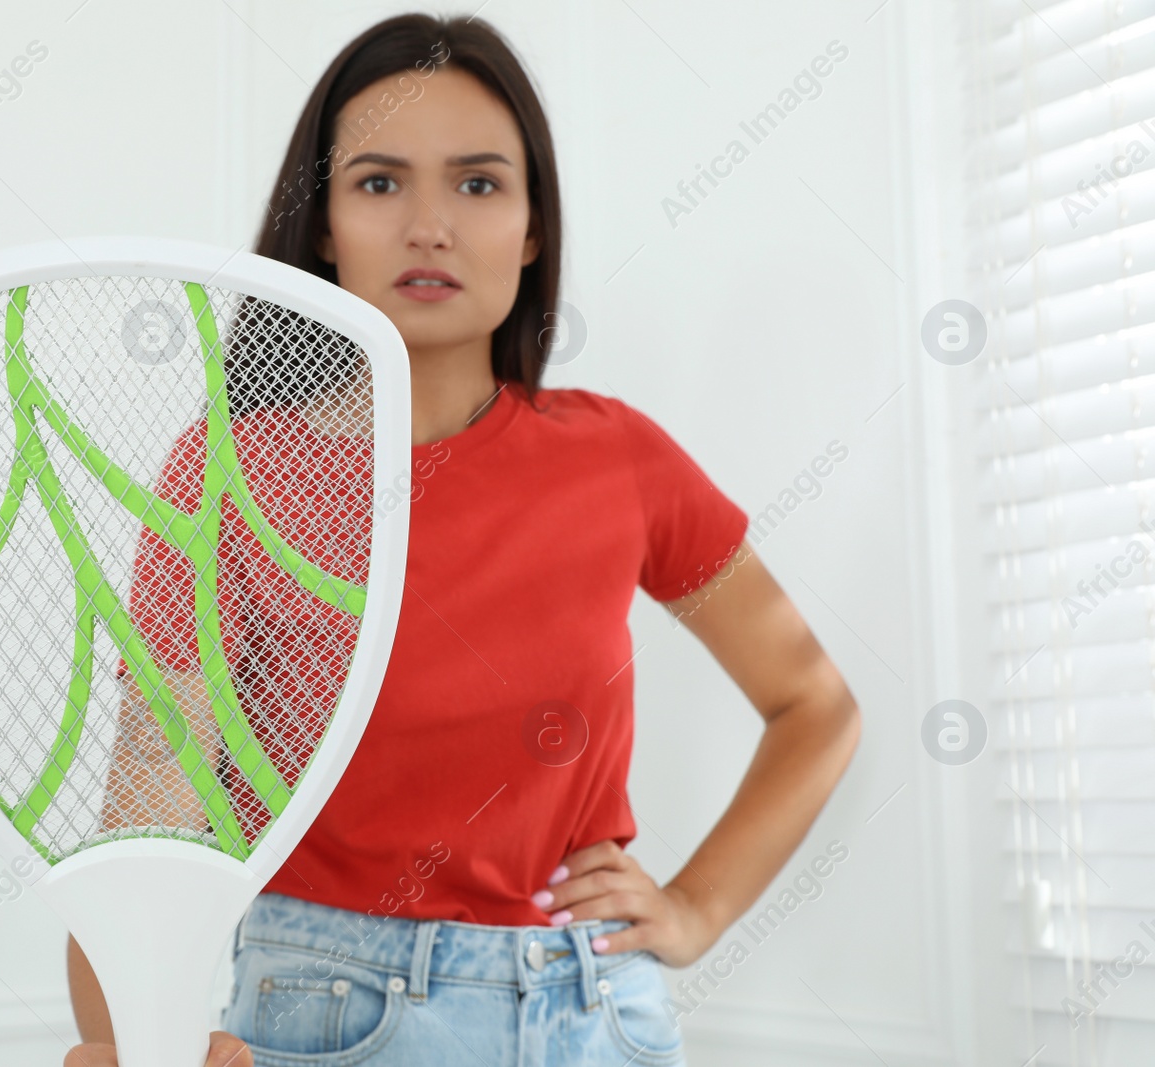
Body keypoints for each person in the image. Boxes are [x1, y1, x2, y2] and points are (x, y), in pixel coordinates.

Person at [64, 13, 859, 1066]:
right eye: (380, 183)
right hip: (324, 1009)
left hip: (597, 1015)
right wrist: (123, 1038)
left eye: (478, 183)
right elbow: (153, 804)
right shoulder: (228, 470)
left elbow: (815, 704)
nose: (429, 224)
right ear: (321, 224)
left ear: (531, 228)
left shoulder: (618, 459)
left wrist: (694, 908)